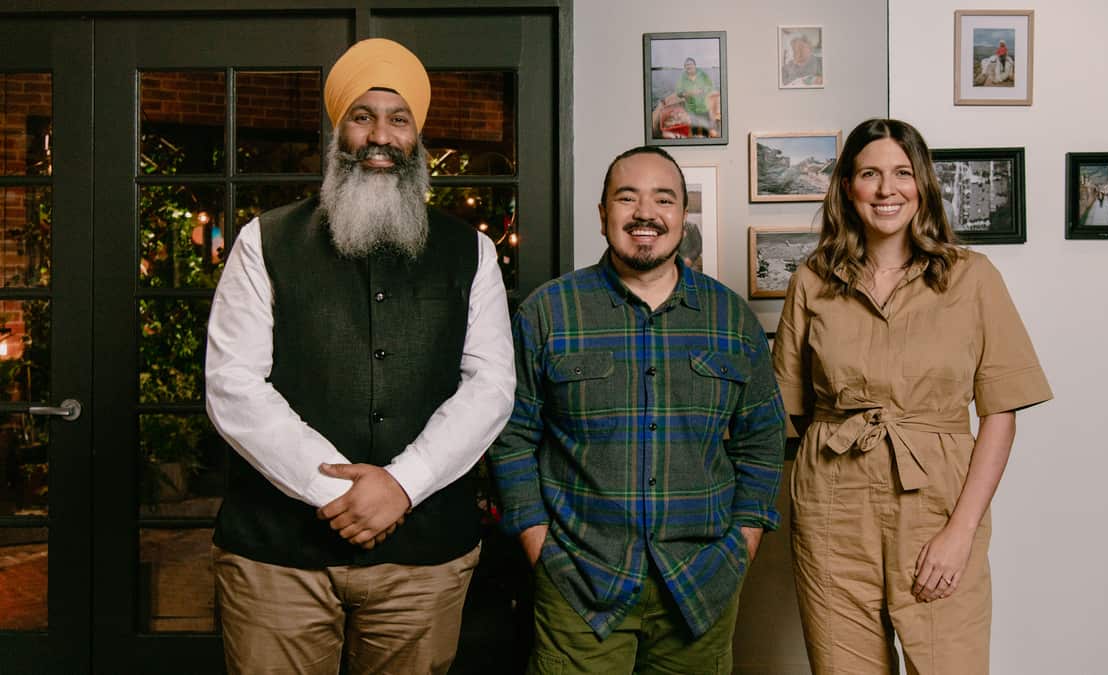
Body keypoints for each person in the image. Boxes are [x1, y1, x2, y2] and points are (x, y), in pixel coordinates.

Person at [204, 37, 516, 675]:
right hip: (278, 561)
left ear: (418, 137)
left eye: (398, 119)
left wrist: (402, 484)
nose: (380, 135)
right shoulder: (262, 242)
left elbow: (490, 387)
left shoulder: (471, 253)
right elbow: (233, 384)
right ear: (338, 129)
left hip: (423, 559)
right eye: (362, 116)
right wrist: (338, 494)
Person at [489, 146, 785, 674]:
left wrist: (743, 543)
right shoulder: (549, 312)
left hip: (700, 585)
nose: (645, 213)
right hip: (579, 583)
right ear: (603, 214)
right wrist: (539, 544)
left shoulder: (730, 318)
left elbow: (761, 444)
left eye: (663, 199)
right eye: (627, 198)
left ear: (682, 217)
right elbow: (511, 439)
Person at [772, 118, 1052, 674]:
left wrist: (960, 532)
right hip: (832, 511)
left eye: (902, 173)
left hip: (938, 507)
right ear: (847, 187)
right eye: (869, 174)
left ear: (922, 184)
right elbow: (788, 413)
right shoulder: (812, 280)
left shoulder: (973, 278)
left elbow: (1001, 413)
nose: (886, 189)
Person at [673, 57, 716, 137]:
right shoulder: (682, 77)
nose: (688, 66)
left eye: (690, 64)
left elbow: (710, 86)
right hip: (690, 109)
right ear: (685, 67)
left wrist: (702, 90)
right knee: (694, 132)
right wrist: (684, 94)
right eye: (686, 65)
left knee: (706, 132)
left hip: (703, 107)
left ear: (695, 65)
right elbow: (678, 91)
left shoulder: (703, 75)